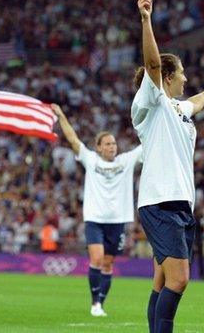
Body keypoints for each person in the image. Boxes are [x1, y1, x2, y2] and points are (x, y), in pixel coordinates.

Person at [132, 0, 204, 333]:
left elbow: (195, 104)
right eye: (181, 72)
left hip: (179, 203)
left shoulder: (177, 108)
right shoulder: (150, 101)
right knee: (179, 280)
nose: (186, 77)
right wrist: (146, 19)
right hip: (160, 200)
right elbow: (152, 62)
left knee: (161, 281)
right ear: (167, 78)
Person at [51, 104, 142, 317]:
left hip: (118, 220)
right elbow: (73, 140)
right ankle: (94, 303)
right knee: (98, 258)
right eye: (108, 144)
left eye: (114, 144)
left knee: (108, 263)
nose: (112, 147)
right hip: (94, 219)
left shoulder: (126, 161)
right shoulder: (90, 159)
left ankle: (100, 303)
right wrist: (62, 116)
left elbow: (146, 144)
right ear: (99, 147)